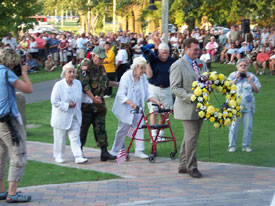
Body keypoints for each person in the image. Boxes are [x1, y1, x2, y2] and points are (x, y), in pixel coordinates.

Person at [110, 57, 163, 159]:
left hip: (138, 108)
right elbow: (121, 94)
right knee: (122, 130)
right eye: (142, 68)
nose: (143, 71)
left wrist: (157, 101)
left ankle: (139, 151)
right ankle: (115, 151)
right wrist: (130, 103)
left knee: (139, 127)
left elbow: (147, 94)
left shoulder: (142, 78)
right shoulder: (126, 76)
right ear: (135, 68)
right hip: (125, 107)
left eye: (144, 68)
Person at [170, 38, 208, 178]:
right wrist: (191, 97)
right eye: (195, 50)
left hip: (201, 107)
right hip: (187, 107)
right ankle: (192, 167)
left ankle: (183, 165)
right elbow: (175, 88)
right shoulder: (178, 65)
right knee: (192, 137)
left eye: (199, 49)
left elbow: (206, 80)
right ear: (186, 49)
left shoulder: (201, 64)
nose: (198, 52)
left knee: (190, 137)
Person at [0, 48, 32, 203]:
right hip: (8, 122)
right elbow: (28, 89)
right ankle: (12, 193)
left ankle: (1, 190)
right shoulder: (7, 73)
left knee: (1, 155)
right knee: (18, 155)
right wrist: (25, 72)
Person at [77, 46, 118, 161]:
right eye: (99, 58)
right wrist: (92, 98)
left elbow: (106, 82)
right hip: (87, 104)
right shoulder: (85, 66)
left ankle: (104, 152)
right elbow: (84, 85)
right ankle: (78, 151)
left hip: (99, 103)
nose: (101, 61)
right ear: (93, 55)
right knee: (83, 129)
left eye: (102, 59)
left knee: (100, 127)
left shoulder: (100, 68)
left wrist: (120, 84)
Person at [50, 62, 88, 164]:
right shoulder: (58, 85)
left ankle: (78, 156)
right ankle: (59, 155)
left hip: (75, 116)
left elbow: (81, 97)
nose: (72, 74)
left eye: (73, 72)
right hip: (61, 117)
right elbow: (54, 101)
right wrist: (67, 105)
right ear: (64, 73)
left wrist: (93, 99)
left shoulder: (78, 83)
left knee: (75, 138)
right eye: (69, 72)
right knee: (60, 139)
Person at [228, 59, 261, 152]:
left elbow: (257, 90)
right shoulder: (232, 75)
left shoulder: (252, 76)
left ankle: (246, 145)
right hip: (235, 106)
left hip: (249, 106)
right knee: (233, 126)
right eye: (241, 65)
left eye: (245, 65)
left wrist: (250, 81)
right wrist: (235, 79)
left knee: (248, 126)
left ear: (247, 66)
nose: (243, 67)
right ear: (237, 67)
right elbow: (226, 88)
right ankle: (232, 145)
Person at [146, 43, 175, 141]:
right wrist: (147, 62)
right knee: (153, 111)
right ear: (159, 52)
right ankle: (154, 134)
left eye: (167, 52)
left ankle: (161, 133)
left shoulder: (172, 61)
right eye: (163, 52)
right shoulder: (153, 60)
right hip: (154, 88)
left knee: (164, 112)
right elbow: (149, 75)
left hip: (167, 88)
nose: (165, 54)